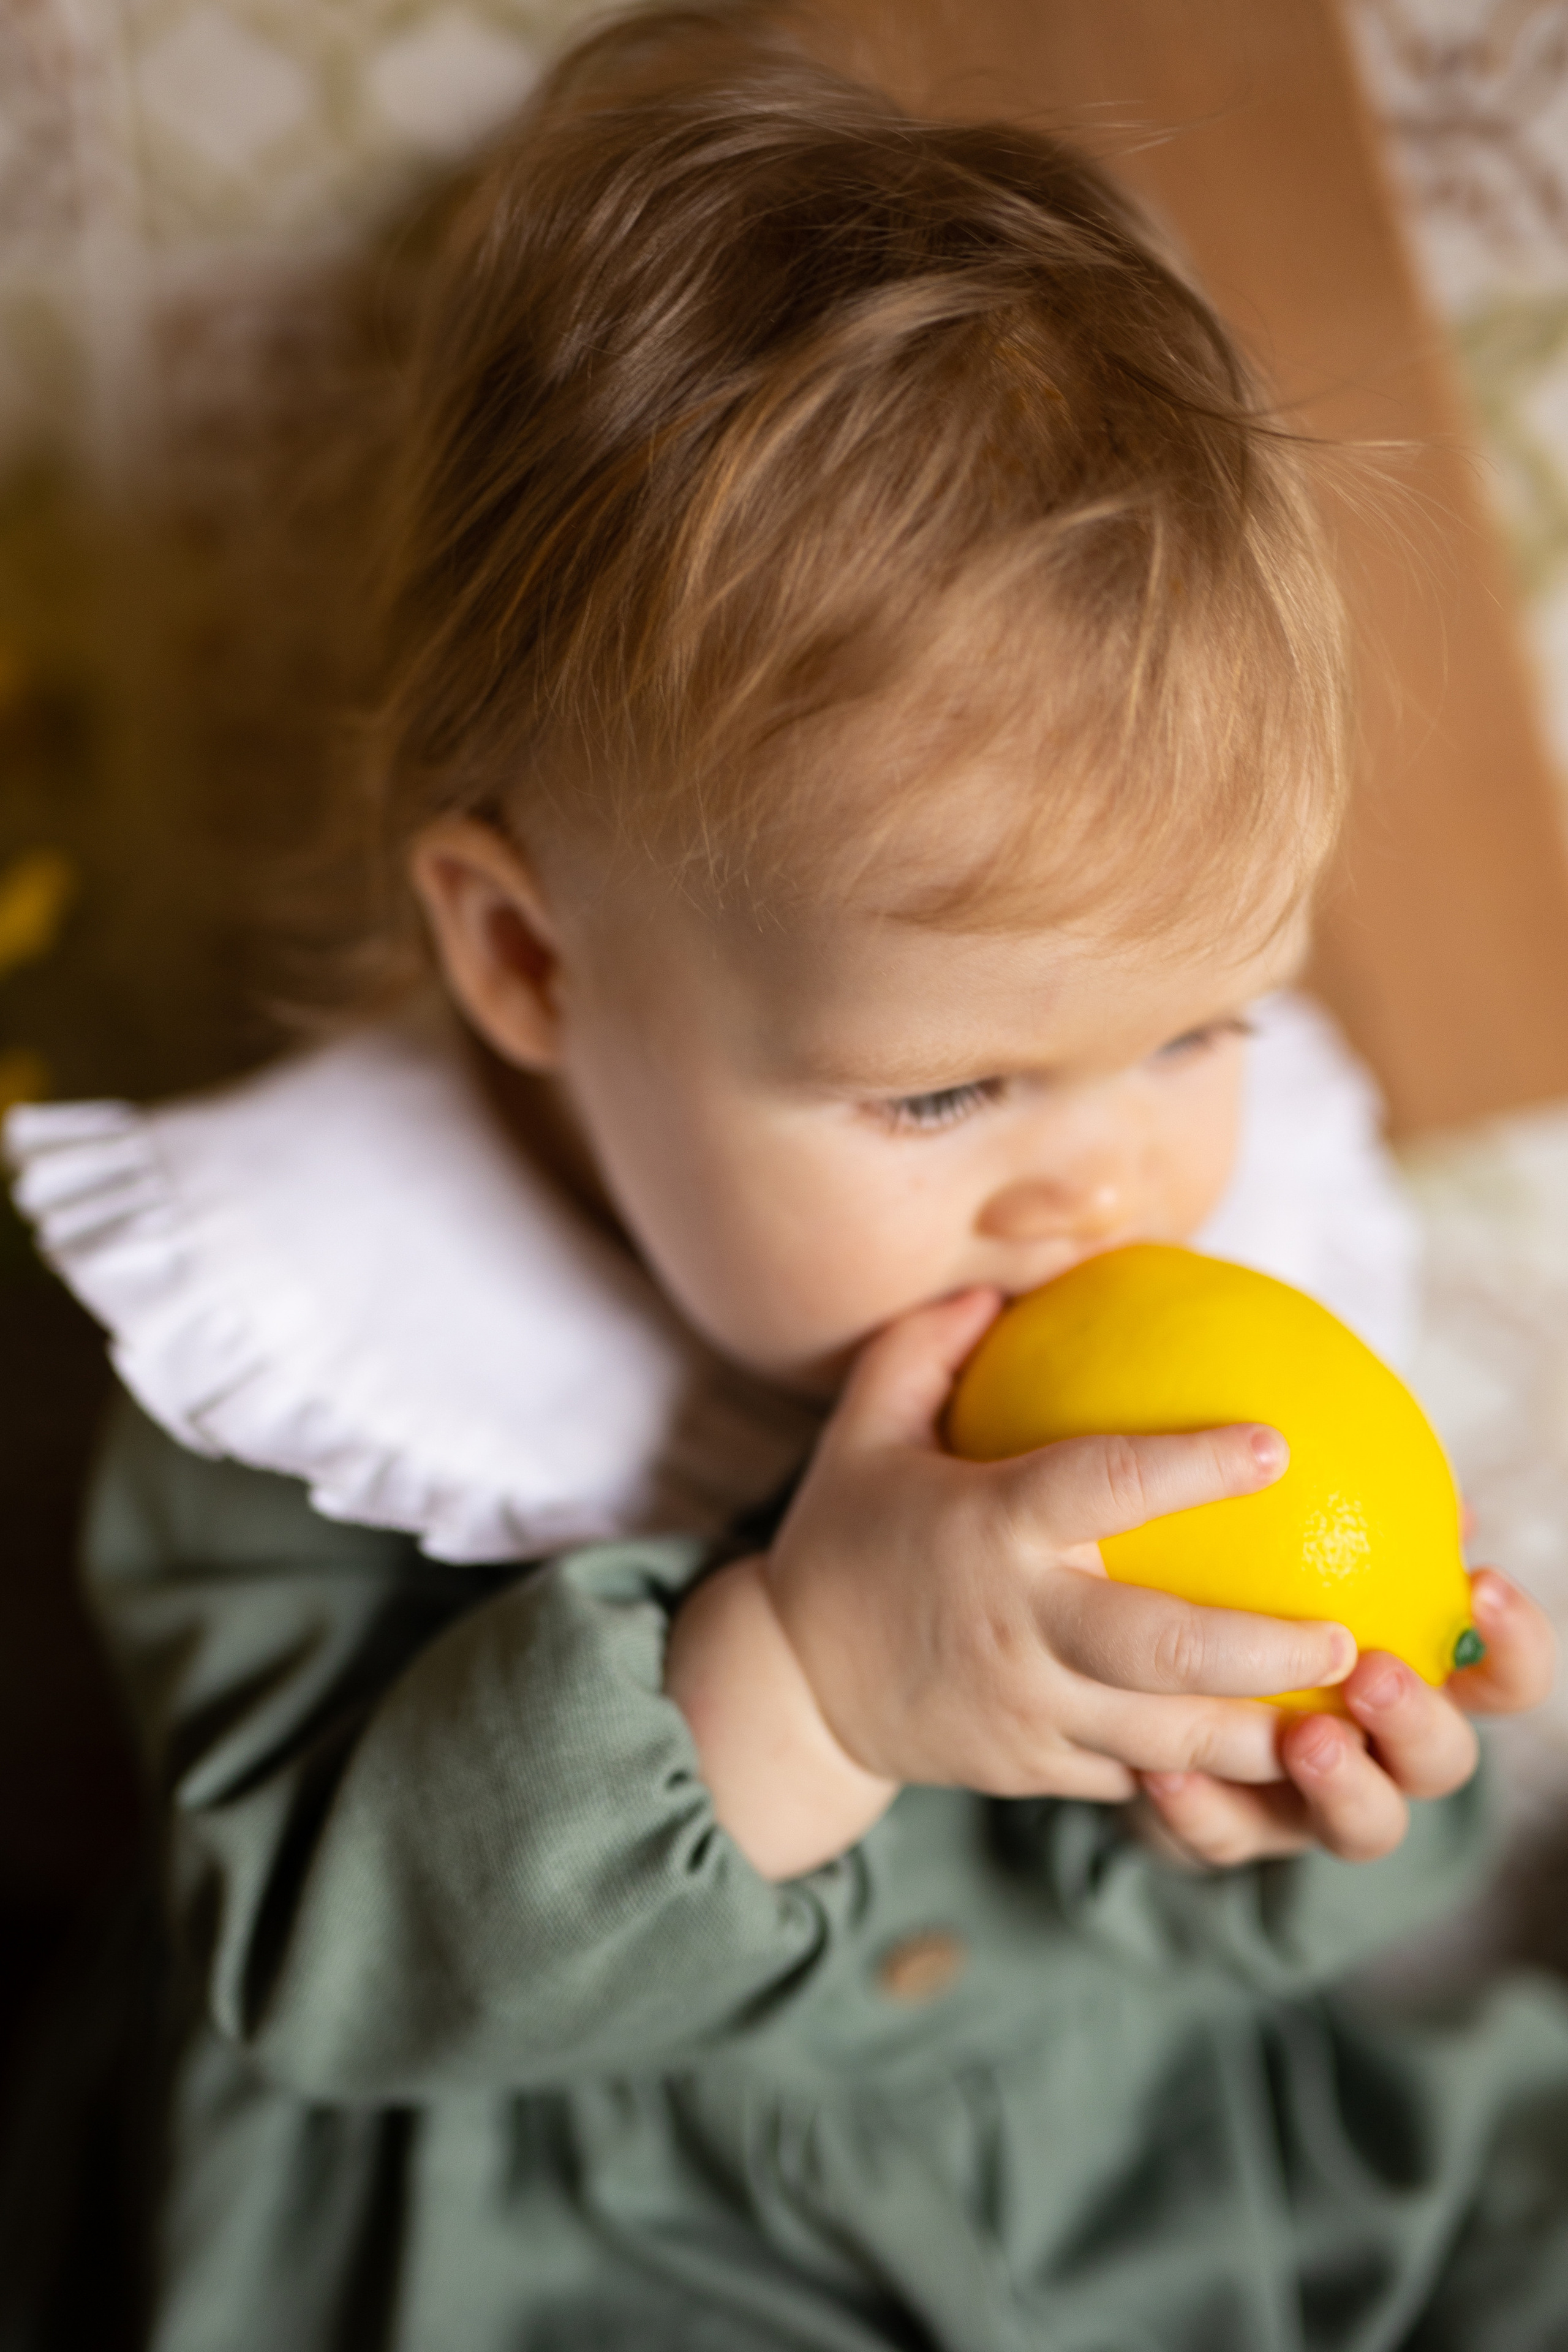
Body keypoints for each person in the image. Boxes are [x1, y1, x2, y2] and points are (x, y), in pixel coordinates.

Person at [7, 6, 1568, 2346]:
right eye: (944, 1098)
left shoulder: (1195, 1254)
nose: (1106, 1190)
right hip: (574, 2267)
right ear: (531, 957)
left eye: (1196, 1028)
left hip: (1165, 2194)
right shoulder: (305, 1364)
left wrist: (1322, 1792)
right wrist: (816, 1686)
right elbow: (335, 1971)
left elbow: (1261, 1890)